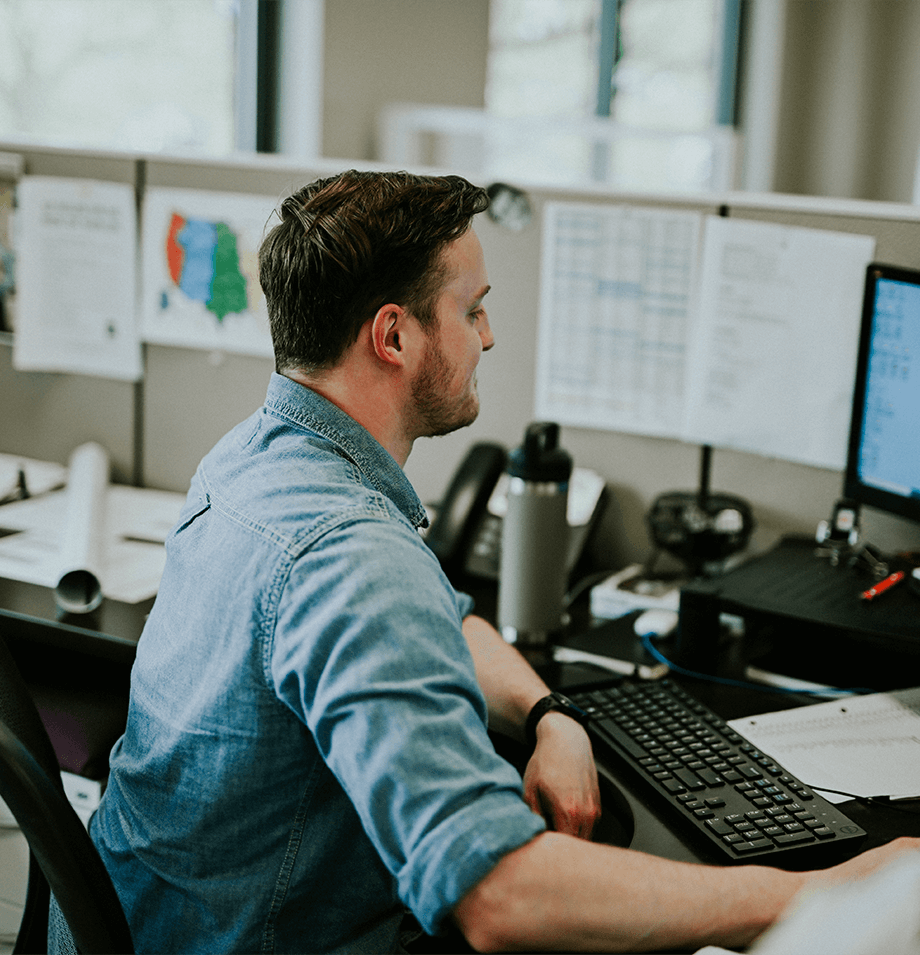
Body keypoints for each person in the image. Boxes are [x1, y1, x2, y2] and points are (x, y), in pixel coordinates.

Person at [86, 169, 919, 954]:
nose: (490, 333)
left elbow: (442, 613)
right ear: (394, 335)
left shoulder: (255, 459)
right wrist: (817, 894)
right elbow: (502, 895)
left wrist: (551, 711)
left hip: (156, 917)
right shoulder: (351, 559)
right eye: (472, 308)